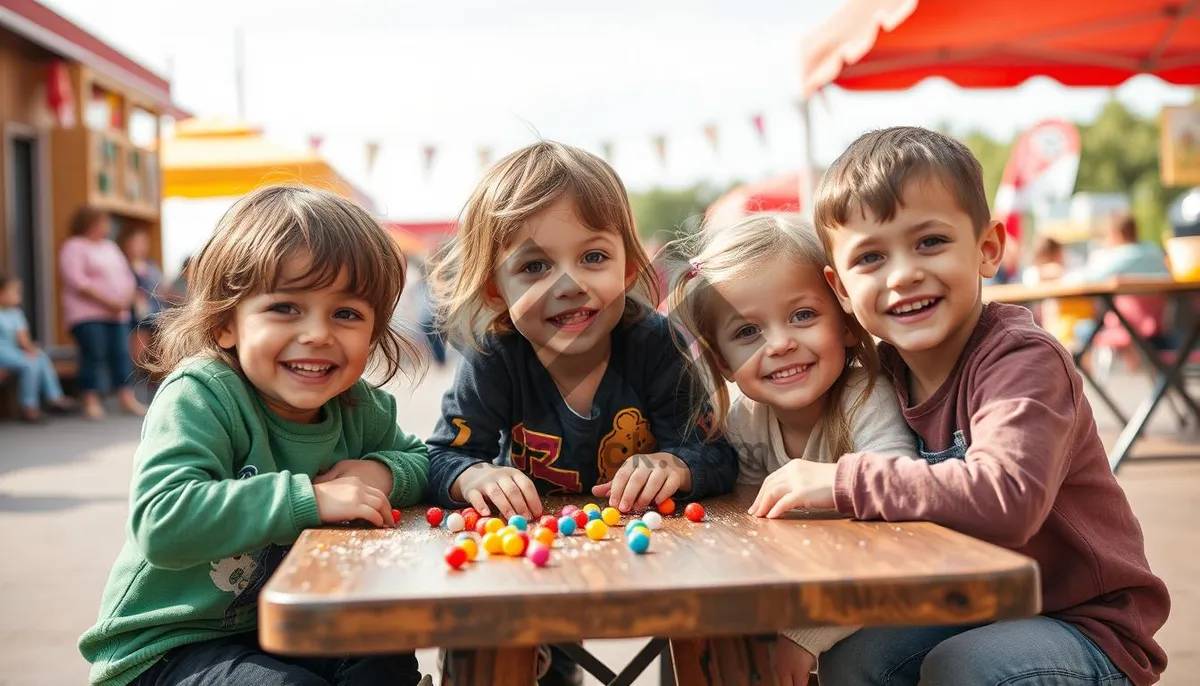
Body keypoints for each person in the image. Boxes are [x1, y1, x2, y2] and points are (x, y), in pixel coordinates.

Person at [797, 126, 1170, 685]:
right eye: (871, 256)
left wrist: (842, 481)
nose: (904, 274)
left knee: (967, 667)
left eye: (930, 242)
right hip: (974, 603)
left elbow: (1008, 497)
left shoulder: (1021, 359)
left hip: (1086, 625)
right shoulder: (883, 375)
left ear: (988, 249)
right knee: (856, 656)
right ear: (843, 290)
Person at [78, 186, 432, 686]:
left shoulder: (359, 406)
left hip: (287, 628)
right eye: (286, 308)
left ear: (373, 333)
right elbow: (163, 521)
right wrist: (310, 498)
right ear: (227, 324)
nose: (317, 333)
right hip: (167, 647)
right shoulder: (202, 395)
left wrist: (382, 470)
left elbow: (422, 462)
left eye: (346, 314)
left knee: (387, 653)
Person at [425, 141, 739, 686]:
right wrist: (475, 475)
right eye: (535, 265)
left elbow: (716, 455)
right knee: (485, 639)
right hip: (528, 557)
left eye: (593, 257)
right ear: (497, 290)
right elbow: (440, 459)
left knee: (718, 626)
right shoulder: (496, 355)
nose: (569, 283)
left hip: (653, 554)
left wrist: (680, 466)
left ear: (627, 266)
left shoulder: (652, 344)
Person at [667, 213, 916, 684]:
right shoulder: (745, 419)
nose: (781, 344)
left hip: (885, 609)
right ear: (722, 361)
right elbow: (746, 530)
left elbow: (895, 532)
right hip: (800, 596)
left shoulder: (865, 398)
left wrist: (806, 634)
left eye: (802, 315)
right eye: (748, 332)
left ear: (844, 321)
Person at [58, 207, 145, 419]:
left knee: (120, 354)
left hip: (117, 314)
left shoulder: (109, 247)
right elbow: (77, 281)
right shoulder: (74, 246)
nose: (107, 227)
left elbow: (126, 275)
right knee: (93, 355)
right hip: (88, 315)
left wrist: (126, 298)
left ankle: (126, 397)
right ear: (89, 223)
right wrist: (109, 301)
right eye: (103, 222)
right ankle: (91, 400)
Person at [0, 274, 76, 422]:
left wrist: (31, 348)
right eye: (13, 292)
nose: (18, 296)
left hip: (12, 353)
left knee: (39, 356)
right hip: (2, 352)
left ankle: (54, 398)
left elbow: (23, 338)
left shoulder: (16, 313)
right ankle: (29, 408)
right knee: (30, 363)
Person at [118, 226, 168, 369]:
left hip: (156, 311)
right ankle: (138, 375)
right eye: (137, 242)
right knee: (139, 348)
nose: (140, 247)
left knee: (156, 348)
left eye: (143, 243)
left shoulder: (151, 265)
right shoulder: (123, 265)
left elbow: (161, 288)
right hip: (138, 314)